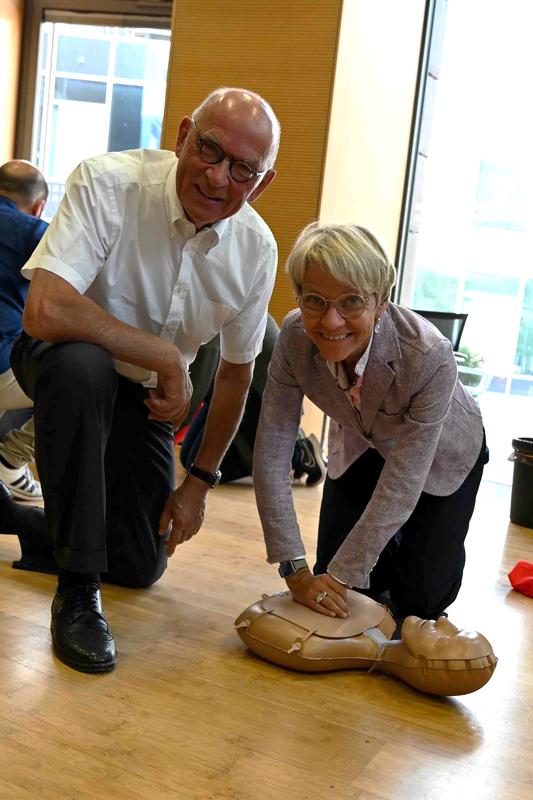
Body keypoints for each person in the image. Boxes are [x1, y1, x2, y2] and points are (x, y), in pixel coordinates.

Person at [8, 87, 280, 674]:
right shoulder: (108, 183)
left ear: (262, 182)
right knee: (83, 367)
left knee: (138, 562)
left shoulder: (256, 249)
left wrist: (198, 485)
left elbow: (236, 374)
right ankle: (78, 592)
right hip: (59, 360)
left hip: (142, 395)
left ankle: (25, 521)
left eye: (242, 170)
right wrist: (165, 356)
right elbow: (46, 310)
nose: (217, 177)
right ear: (183, 136)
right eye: (209, 149)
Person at [253, 222, 489, 630]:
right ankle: (382, 552)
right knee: (349, 587)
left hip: (443, 454)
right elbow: (272, 448)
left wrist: (347, 570)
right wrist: (292, 565)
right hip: (362, 445)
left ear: (381, 303)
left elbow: (403, 480)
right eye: (315, 300)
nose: (330, 321)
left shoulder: (428, 353)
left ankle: (409, 552)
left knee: (419, 602)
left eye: (351, 302)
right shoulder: (293, 336)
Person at [180, 313, 326, 486]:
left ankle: (298, 453)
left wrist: (168, 426)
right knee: (187, 458)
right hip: (228, 386)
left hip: (260, 392)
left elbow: (197, 383)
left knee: (199, 467)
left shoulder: (209, 311)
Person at [0, 160, 48, 499]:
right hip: (1, 372)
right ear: (38, 206)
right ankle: (11, 460)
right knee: (92, 380)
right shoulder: (33, 233)